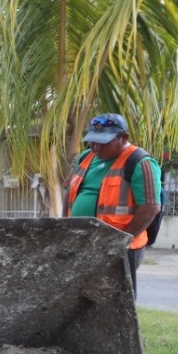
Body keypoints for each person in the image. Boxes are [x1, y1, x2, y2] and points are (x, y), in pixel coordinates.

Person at [65, 113, 162, 296]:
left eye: (103, 142)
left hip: (121, 246)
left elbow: (151, 208)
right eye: (92, 141)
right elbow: (70, 193)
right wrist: (65, 225)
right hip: (84, 241)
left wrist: (120, 241)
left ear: (123, 138)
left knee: (118, 298)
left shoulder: (140, 162)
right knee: (84, 296)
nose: (96, 146)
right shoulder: (86, 157)